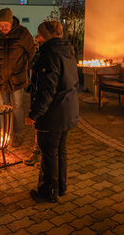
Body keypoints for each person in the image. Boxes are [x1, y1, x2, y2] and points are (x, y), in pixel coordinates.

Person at [25, 20, 79, 203]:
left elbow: (47, 90)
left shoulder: (49, 54)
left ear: (46, 36)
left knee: (49, 153)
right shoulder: (68, 51)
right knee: (60, 151)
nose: (36, 38)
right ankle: (61, 187)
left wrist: (34, 114)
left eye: (39, 35)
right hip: (68, 109)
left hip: (53, 114)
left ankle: (48, 192)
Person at [0, 8, 35, 147]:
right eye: (0, 25)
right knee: (3, 106)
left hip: (17, 77)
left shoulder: (23, 33)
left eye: (5, 25)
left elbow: (31, 52)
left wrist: (21, 66)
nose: (2, 28)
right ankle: (4, 133)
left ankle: (17, 134)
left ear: (11, 21)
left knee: (17, 106)